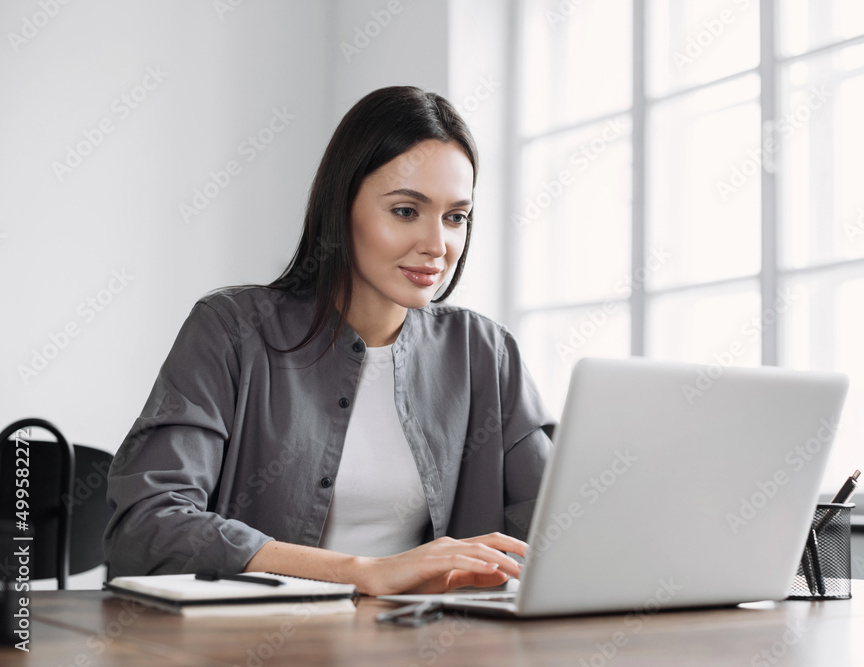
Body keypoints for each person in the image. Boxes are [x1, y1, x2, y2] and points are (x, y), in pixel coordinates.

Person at [104, 86, 555, 596]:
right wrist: (364, 572)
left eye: (456, 217)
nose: (437, 245)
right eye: (406, 211)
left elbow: (562, 524)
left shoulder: (483, 352)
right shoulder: (231, 330)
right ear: (342, 209)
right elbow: (147, 525)